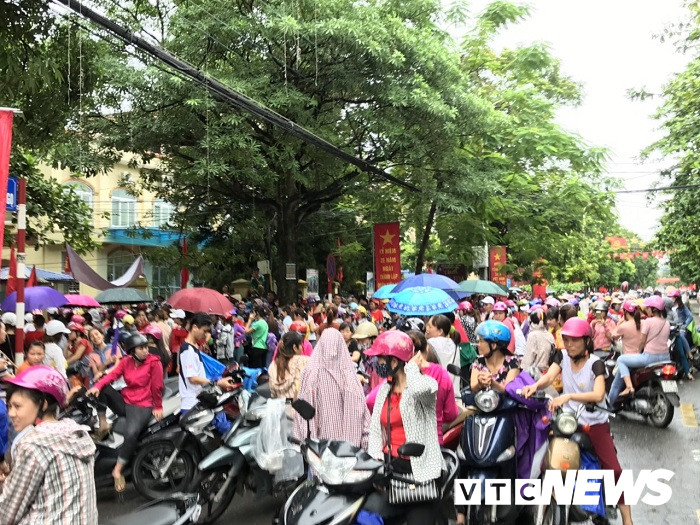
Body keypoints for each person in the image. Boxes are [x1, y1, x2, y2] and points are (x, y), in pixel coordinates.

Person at [522, 318, 633, 525]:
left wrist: (569, 397)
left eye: (575, 340)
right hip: (568, 420)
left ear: (586, 341)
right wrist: (535, 386)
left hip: (595, 423)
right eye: (566, 339)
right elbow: (549, 376)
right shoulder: (561, 356)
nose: (570, 344)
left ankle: (628, 519)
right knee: (545, 457)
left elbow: (599, 394)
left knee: (614, 471)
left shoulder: (596, 364)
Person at [0, 365, 97, 524]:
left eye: (17, 406)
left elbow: (7, 514)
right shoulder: (78, 434)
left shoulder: (33, 445)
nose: (11, 413)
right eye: (9, 406)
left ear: (43, 404)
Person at [363, 330, 442, 525]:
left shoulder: (425, 385)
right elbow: (375, 430)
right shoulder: (384, 389)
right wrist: (376, 462)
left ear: (395, 362)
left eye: (381, 359)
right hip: (391, 469)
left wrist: (412, 369)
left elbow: (419, 389)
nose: (377, 364)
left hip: (418, 473)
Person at [87, 333, 164, 493]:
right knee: (102, 388)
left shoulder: (154, 363)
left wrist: (157, 406)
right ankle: (103, 424)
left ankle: (118, 469)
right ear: (132, 350)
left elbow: (157, 387)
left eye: (145, 347)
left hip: (143, 404)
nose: (145, 351)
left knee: (131, 434)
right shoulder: (127, 362)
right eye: (141, 348)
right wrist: (96, 386)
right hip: (126, 401)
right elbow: (112, 376)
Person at [293, 328, 370, 448]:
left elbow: (303, 414)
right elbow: (362, 413)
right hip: (348, 450)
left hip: (319, 448)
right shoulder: (350, 376)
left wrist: (304, 442)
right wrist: (365, 446)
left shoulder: (310, 374)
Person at [608, 296, 671, 405]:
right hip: (666, 357)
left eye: (647, 308)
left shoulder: (648, 322)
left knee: (621, 360)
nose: (646, 310)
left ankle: (628, 387)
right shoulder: (667, 323)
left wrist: (639, 351)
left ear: (653, 309)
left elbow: (642, 341)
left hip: (649, 357)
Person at [176, 312, 236, 413]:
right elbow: (193, 379)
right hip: (191, 404)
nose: (205, 335)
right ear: (194, 327)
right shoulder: (188, 351)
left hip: (198, 400)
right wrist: (217, 383)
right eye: (204, 331)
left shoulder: (193, 346)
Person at [469, 320, 520, 394]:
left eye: (481, 341)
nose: (478, 344)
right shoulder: (478, 362)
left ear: (493, 345)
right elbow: (473, 387)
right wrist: (480, 383)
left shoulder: (512, 362)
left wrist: (492, 382)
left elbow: (507, 391)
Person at [268, 331, 310, 400]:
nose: (302, 349)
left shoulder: (273, 364)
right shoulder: (304, 361)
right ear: (295, 347)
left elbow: (273, 393)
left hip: (279, 406)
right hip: (298, 407)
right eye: (301, 345)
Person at [669, 289, 694, 380]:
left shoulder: (682, 307)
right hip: (671, 331)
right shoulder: (668, 309)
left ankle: (689, 353)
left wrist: (684, 325)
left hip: (680, 330)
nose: (669, 298)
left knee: (681, 337)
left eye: (671, 297)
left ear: (675, 298)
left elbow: (690, 317)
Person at [521, 309, 556, 373]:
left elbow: (527, 360)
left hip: (537, 374)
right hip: (549, 373)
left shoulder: (532, 335)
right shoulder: (550, 335)